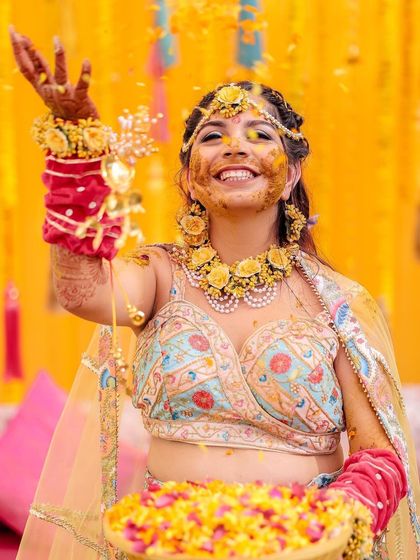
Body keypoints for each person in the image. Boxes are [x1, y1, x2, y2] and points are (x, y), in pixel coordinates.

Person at [9, 28, 420, 560]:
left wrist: (318, 526)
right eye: (212, 135)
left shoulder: (336, 303)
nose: (235, 145)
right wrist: (75, 144)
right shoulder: (157, 276)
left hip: (302, 550)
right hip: (167, 546)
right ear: (190, 178)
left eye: (260, 134)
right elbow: (80, 288)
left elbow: (380, 456)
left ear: (293, 172)